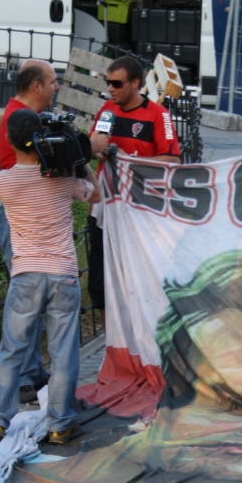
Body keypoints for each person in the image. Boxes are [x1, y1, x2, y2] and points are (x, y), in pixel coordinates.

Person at [0, 109, 102, 446]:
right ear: (40, 138)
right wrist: (80, 160)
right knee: (63, 352)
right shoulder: (63, 180)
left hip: (25, 276)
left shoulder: (1, 182)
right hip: (63, 275)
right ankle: (60, 424)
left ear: (9, 140)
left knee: (11, 349)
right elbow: (97, 195)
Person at [87, 55, 180, 318]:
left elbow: (173, 160)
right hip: (105, 209)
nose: (111, 89)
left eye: (117, 84)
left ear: (135, 83)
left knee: (139, 284)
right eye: (108, 83)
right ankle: (113, 349)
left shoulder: (159, 116)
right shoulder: (106, 111)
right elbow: (93, 146)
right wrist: (99, 152)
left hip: (141, 213)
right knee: (101, 287)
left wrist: (133, 162)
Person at [0, 59, 61, 403]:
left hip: (22, 221)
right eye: (52, 82)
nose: (56, 87)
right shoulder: (16, 120)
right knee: (25, 304)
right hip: (19, 221)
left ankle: (32, 373)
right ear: (36, 86)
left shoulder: (22, 116)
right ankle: (21, 378)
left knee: (30, 300)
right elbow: (20, 176)